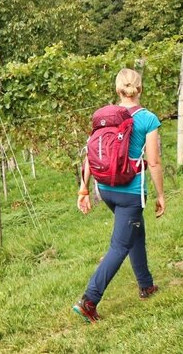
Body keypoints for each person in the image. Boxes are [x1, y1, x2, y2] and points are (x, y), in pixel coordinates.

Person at [72, 68, 166, 323]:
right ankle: (89, 300)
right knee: (120, 245)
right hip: (130, 192)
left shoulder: (104, 117)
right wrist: (160, 195)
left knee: (135, 230)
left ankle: (146, 285)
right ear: (140, 89)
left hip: (105, 190)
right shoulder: (148, 119)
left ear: (117, 90)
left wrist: (84, 189)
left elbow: (90, 154)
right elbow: (154, 163)